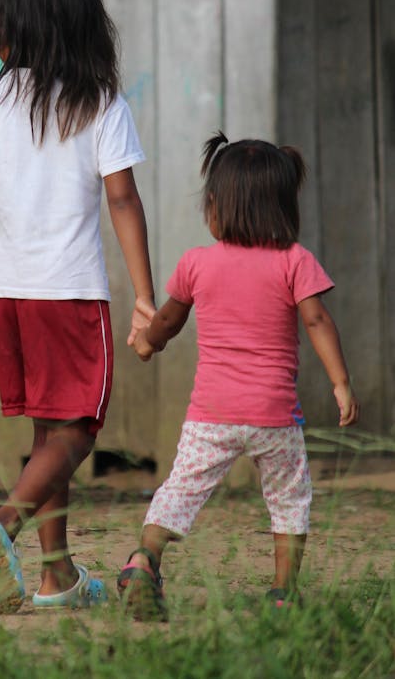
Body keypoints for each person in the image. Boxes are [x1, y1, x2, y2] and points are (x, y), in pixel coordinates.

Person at [0, 0, 154, 613]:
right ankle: (6, 524)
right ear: (85, 30)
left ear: (13, 32)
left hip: (10, 296)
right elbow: (124, 202)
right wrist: (143, 294)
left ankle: (57, 578)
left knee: (44, 437)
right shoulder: (100, 102)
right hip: (72, 294)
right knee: (77, 434)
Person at [118, 131, 360, 620]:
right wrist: (339, 382)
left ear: (215, 207)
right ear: (283, 208)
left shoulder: (197, 263)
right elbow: (317, 321)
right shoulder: (295, 262)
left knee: (181, 489)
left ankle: (145, 560)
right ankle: (282, 593)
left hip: (212, 412)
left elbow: (168, 320)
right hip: (275, 415)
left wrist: (147, 342)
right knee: (290, 497)